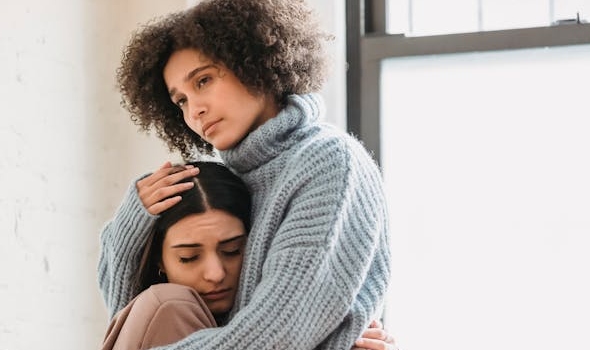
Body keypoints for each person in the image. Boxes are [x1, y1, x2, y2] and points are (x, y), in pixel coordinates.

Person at [99, 0, 393, 349]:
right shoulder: (239, 178)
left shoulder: (327, 161)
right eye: (180, 101)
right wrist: (132, 224)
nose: (195, 110)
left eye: (204, 80)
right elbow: (131, 319)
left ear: (256, 64)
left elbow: (277, 332)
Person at [99, 162, 394, 350]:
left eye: (232, 251)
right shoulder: (168, 307)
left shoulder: (261, 320)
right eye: (189, 257)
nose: (215, 273)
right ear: (159, 262)